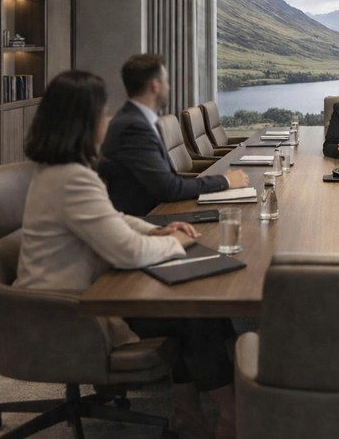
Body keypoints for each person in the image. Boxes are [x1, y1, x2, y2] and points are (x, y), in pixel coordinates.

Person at [15, 70, 237, 438]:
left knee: (196, 308)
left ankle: (190, 410)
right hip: (72, 311)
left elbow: (114, 219)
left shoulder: (59, 170)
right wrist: (173, 243)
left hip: (85, 294)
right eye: (101, 113)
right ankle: (231, 414)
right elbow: (129, 252)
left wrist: (157, 229)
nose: (107, 120)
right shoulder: (73, 178)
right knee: (195, 314)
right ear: (83, 122)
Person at [99, 54, 248, 216]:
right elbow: (169, 188)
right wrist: (225, 181)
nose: (169, 88)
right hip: (151, 217)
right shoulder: (133, 127)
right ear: (155, 86)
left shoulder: (135, 119)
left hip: (158, 211)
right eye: (166, 82)